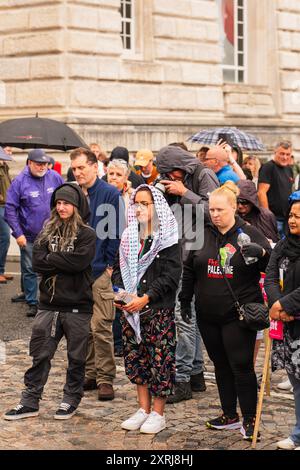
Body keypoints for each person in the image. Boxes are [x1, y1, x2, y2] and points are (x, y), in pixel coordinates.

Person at [179, 181, 271, 441]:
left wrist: (262, 252)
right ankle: (229, 415)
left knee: (241, 367)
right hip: (208, 313)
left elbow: (272, 266)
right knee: (220, 365)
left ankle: (250, 419)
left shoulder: (249, 233)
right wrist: (185, 300)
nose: (215, 214)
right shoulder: (203, 232)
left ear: (234, 208)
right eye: (212, 210)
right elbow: (188, 268)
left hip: (237, 313)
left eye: (220, 210)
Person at [4, 183, 96, 421]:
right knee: (40, 354)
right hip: (48, 305)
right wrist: (61, 260)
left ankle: (70, 399)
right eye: (58, 203)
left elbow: (79, 263)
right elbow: (37, 262)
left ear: (76, 206)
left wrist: (51, 258)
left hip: (77, 306)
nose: (62, 207)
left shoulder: (87, 234)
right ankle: (30, 400)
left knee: (76, 358)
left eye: (67, 203)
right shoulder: (46, 231)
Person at [113, 185, 181, 434]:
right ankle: (143, 409)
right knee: (136, 359)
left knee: (160, 360)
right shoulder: (130, 235)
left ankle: (158, 413)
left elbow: (171, 275)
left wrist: (146, 297)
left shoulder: (168, 237)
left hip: (157, 309)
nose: (139, 208)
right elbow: (119, 266)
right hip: (131, 309)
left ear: (157, 206)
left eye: (145, 203)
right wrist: (121, 294)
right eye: (136, 203)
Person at [156, 145, 219, 403]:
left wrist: (185, 192)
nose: (171, 179)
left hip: (197, 257)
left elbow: (216, 212)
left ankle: (181, 380)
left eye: (171, 174)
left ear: (180, 166)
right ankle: (195, 374)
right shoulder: (182, 179)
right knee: (187, 317)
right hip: (183, 255)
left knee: (183, 319)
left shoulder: (203, 175)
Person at [70, 147, 124, 401]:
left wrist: (109, 264)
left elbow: (115, 231)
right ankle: (90, 373)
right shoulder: (72, 193)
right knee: (83, 326)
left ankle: (105, 378)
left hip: (100, 269)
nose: (78, 172)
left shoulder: (110, 193)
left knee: (102, 326)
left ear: (94, 166)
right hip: (76, 270)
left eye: (82, 167)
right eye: (75, 168)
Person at [5, 149, 64, 317]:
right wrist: (18, 234)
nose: (42, 167)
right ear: (29, 163)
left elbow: (66, 197)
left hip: (53, 233)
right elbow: (10, 209)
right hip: (29, 235)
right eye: (38, 164)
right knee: (30, 268)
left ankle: (52, 298)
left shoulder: (54, 177)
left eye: (44, 164)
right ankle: (32, 302)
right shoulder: (19, 182)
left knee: (53, 266)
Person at [265, 192, 300, 450]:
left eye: (299, 216)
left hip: (293, 315)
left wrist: (284, 305)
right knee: (296, 382)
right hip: (287, 324)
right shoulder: (282, 245)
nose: (293, 220)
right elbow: (269, 277)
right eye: (291, 215)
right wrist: (276, 304)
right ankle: (298, 433)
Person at [106, 158, 133, 356]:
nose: (113, 178)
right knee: (113, 298)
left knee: (126, 297)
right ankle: (116, 342)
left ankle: (128, 339)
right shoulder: (102, 195)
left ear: (126, 177)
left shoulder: (131, 197)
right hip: (109, 254)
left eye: (118, 175)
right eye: (111, 174)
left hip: (129, 253)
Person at [258, 141, 294, 238]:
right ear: (275, 152)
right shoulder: (268, 167)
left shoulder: (289, 169)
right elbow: (261, 192)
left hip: (287, 218)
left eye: (288, 154)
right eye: (282, 154)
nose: (285, 157)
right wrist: (268, 216)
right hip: (274, 219)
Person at [0, 146, 13, 284]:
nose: (10, 153)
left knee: (3, 238)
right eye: (7, 151)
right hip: (0, 206)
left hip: (6, 206)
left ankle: (1, 270)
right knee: (4, 238)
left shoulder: (5, 167)